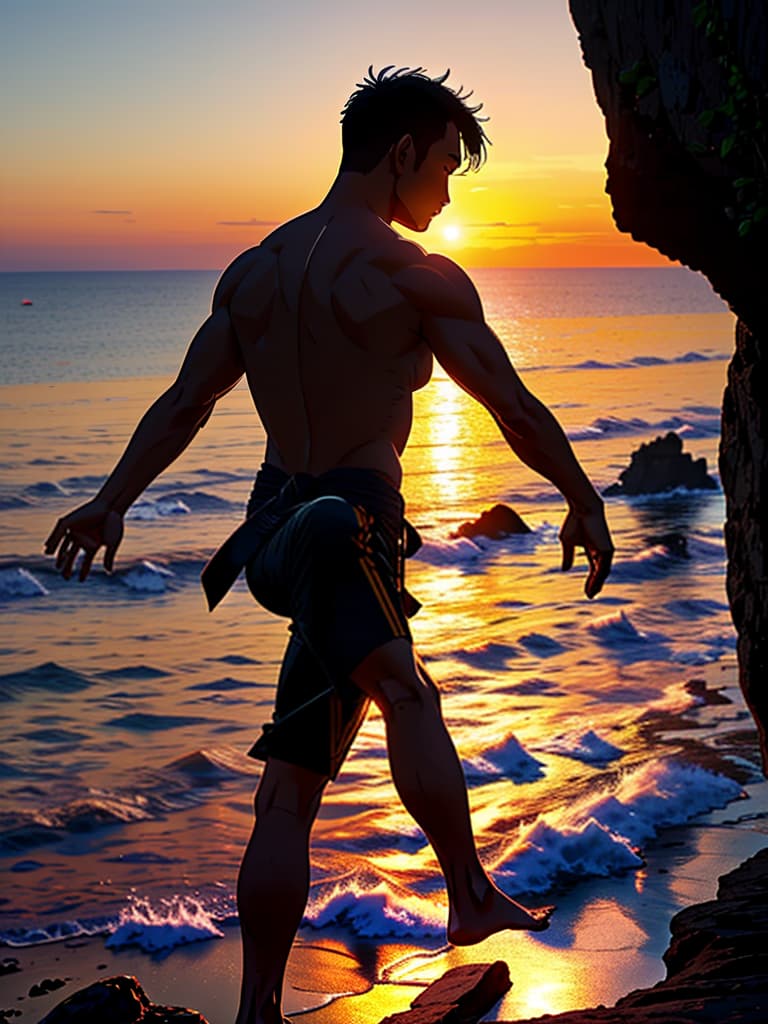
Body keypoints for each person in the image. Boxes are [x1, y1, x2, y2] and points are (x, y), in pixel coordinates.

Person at [45, 66, 614, 1024]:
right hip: (346, 527)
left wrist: (111, 500)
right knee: (409, 690)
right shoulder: (411, 273)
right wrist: (582, 496)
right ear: (400, 154)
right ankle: (470, 896)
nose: (445, 190)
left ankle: (259, 1011)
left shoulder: (255, 268)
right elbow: (507, 403)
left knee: (290, 788)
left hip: (274, 531)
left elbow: (187, 402)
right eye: (443, 165)